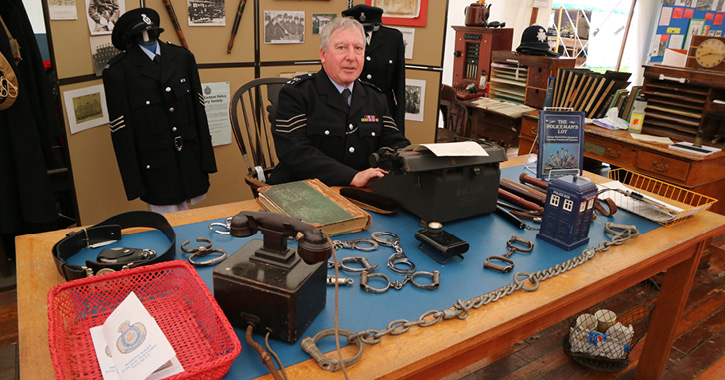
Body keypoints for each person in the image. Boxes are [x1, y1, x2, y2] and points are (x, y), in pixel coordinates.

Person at [269, 16, 410, 188]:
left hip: (358, 196)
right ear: (323, 54)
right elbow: (295, 153)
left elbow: (396, 143)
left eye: (358, 48)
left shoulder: (376, 98)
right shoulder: (297, 94)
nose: (351, 57)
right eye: (341, 48)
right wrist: (352, 177)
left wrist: (417, 157)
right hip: (301, 193)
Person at [102, 8, 217, 213]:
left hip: (190, 158)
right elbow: (122, 135)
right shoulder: (118, 72)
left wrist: (206, 161)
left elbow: (199, 112)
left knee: (194, 223)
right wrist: (134, 183)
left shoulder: (183, 58)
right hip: (156, 168)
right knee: (167, 228)